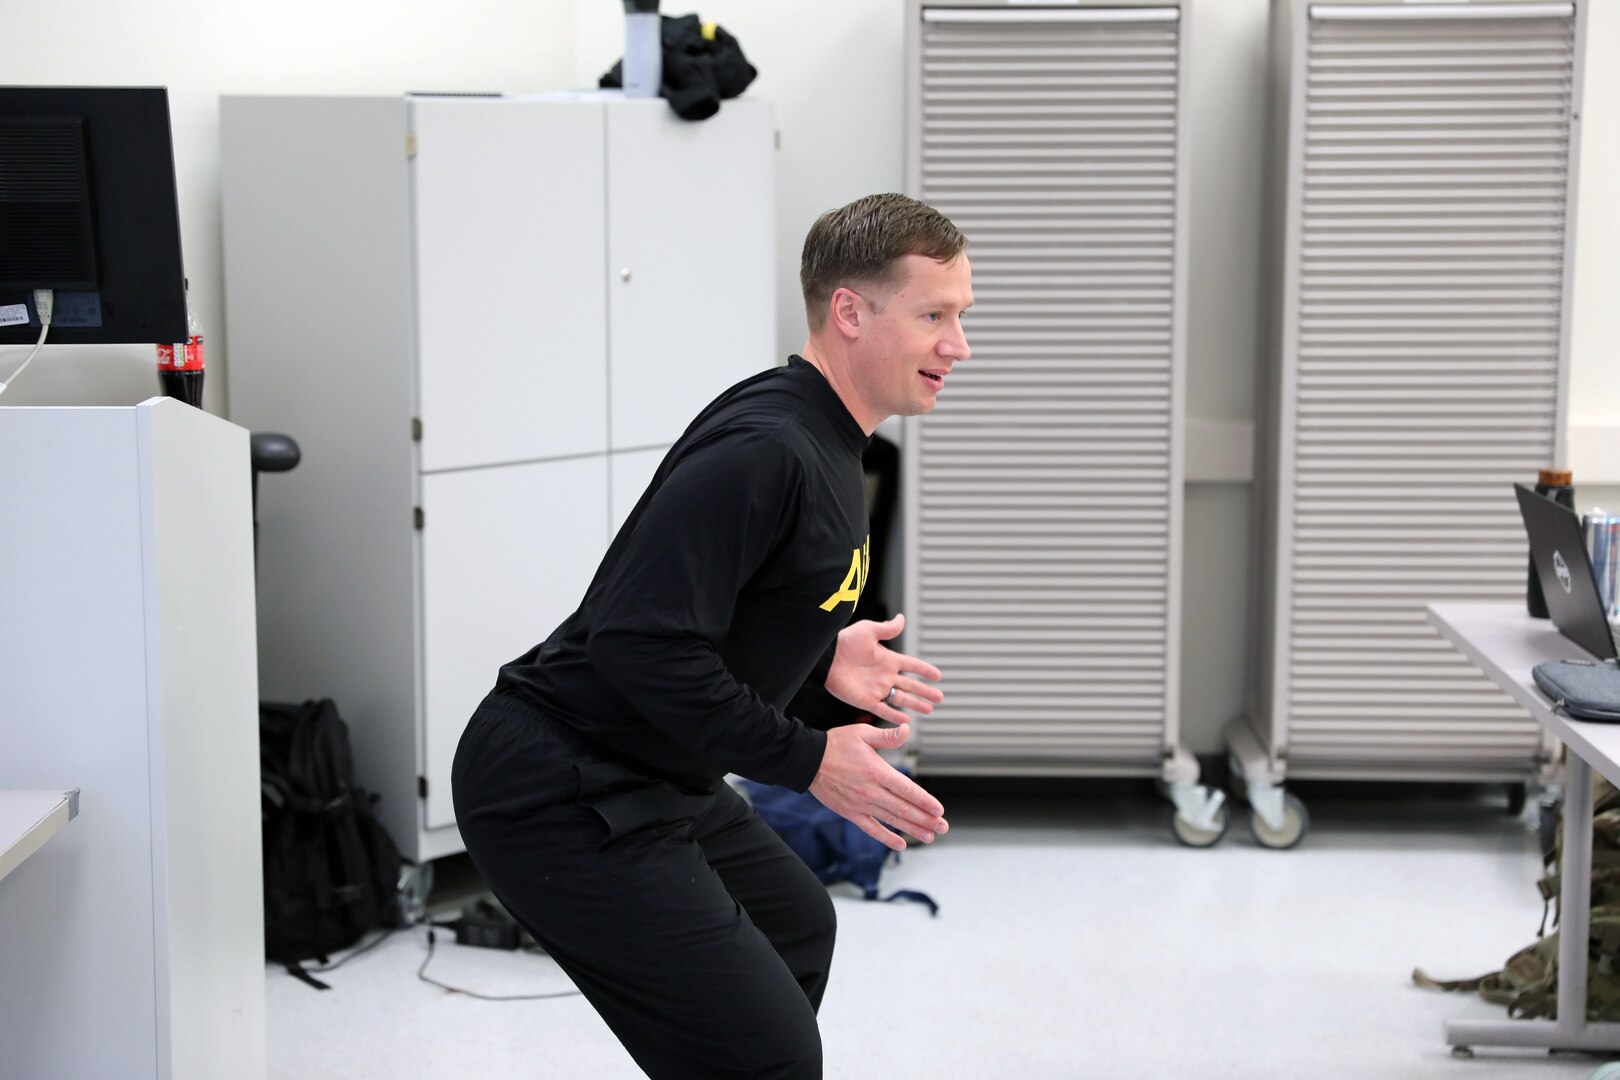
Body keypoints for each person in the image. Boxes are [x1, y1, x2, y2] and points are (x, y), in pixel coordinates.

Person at [451, 192, 973, 1079]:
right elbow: (636, 644)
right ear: (850, 311)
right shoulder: (767, 446)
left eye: (959, 318)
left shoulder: (836, 440)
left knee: (796, 926)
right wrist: (809, 758)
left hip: (655, 767)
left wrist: (817, 662)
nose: (957, 346)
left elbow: (722, 619)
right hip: (556, 785)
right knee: (765, 1053)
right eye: (934, 315)